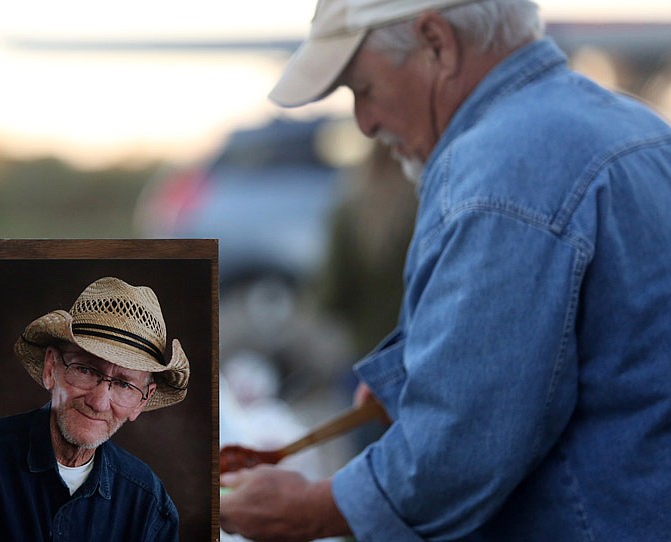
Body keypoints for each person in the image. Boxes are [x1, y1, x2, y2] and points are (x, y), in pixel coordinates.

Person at [220, 0, 671, 541]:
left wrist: (318, 506)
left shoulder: (500, 168)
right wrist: (420, 374)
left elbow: (466, 440)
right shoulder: (638, 128)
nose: (365, 123)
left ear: (437, 42)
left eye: (362, 88)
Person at [0, 276, 190, 542]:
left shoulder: (148, 503)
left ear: (142, 401)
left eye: (124, 385)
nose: (99, 402)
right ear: (50, 368)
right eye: (86, 370)